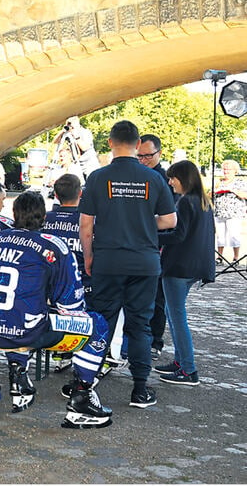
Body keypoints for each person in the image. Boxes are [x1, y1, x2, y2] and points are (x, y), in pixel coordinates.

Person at [0, 190, 114, 428]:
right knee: (97, 324)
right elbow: (71, 305)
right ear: (44, 218)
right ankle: (81, 397)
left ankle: (18, 371)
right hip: (24, 330)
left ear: (14, 214)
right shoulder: (52, 246)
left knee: (21, 313)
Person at [79, 120, 177, 409]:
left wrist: (88, 256)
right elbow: (170, 220)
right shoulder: (153, 178)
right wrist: (145, 224)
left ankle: (86, 382)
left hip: (107, 260)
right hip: (144, 263)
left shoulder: (98, 177)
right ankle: (139, 389)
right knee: (140, 325)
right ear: (137, 145)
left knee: (101, 322)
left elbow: (86, 225)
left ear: (110, 143)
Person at [156, 160, 216, 386]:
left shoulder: (184, 202)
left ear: (184, 178)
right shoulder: (203, 202)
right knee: (175, 316)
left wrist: (150, 236)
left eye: (173, 178)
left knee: (177, 318)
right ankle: (181, 362)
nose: (170, 182)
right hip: (196, 267)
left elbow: (178, 236)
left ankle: (188, 369)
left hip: (178, 267)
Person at [42, 172, 86, 373]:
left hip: (46, 286)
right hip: (80, 285)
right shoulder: (87, 220)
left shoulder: (44, 219)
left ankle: (60, 351)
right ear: (80, 193)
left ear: (57, 196)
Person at [139, 133, 170, 358]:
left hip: (157, 244)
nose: (143, 159)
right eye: (139, 155)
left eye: (148, 155)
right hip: (135, 245)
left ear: (159, 153)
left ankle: (155, 341)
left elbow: (170, 218)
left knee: (158, 297)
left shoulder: (165, 179)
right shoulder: (135, 174)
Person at [213, 159, 247, 263]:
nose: (226, 171)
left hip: (234, 213)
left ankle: (236, 257)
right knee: (220, 236)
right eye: (224, 169)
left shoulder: (240, 182)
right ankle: (219, 257)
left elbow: (245, 195)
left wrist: (232, 190)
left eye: (228, 169)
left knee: (234, 235)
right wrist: (215, 192)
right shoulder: (219, 182)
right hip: (219, 212)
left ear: (235, 171)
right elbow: (210, 194)